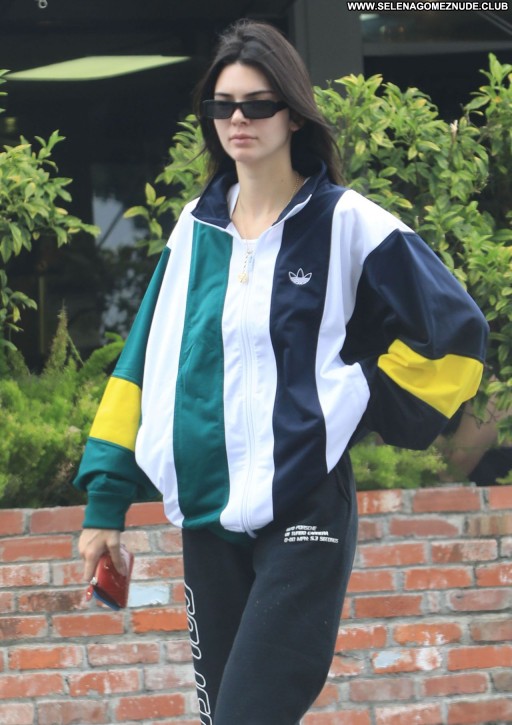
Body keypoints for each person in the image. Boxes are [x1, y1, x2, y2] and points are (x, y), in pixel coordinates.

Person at [74, 19, 489, 724]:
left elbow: (456, 335)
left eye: (258, 104)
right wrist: (105, 504)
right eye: (223, 105)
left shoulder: (347, 222)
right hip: (208, 517)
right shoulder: (195, 229)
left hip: (304, 506)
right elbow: (143, 364)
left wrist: (361, 397)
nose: (238, 119)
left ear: (293, 113)